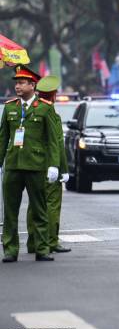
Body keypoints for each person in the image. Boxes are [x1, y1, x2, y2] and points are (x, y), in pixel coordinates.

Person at [0, 65, 61, 262]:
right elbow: (3, 138)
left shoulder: (45, 107)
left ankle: (42, 249)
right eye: (16, 83)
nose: (17, 87)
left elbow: (53, 140)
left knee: (39, 208)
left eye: (22, 83)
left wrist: (54, 165)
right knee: (10, 211)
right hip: (13, 165)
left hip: (36, 165)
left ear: (32, 85)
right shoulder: (10, 107)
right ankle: (10, 249)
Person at [26, 75, 71, 254]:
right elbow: (57, 143)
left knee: (34, 204)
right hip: (50, 165)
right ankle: (51, 241)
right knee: (51, 204)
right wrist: (63, 168)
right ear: (53, 94)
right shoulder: (50, 112)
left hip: (33, 165)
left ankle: (32, 242)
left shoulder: (30, 109)